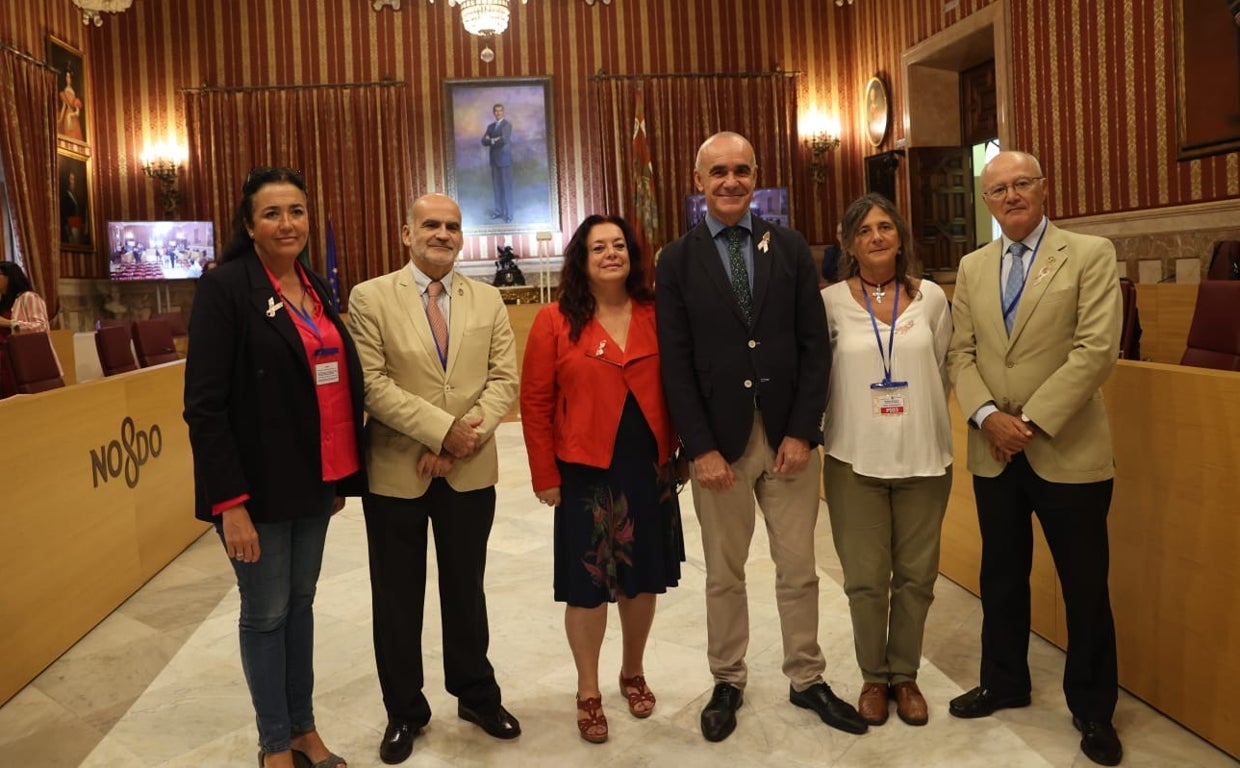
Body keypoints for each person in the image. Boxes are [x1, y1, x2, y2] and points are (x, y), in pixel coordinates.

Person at [655, 131, 867, 742]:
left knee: (799, 568)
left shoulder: (791, 247)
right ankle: (728, 679)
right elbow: (676, 361)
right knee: (724, 573)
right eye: (717, 171)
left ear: (756, 177)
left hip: (786, 443)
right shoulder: (677, 259)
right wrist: (700, 448)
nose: (730, 181)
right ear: (699, 181)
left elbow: (812, 348)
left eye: (741, 170)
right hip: (718, 444)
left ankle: (807, 678)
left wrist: (803, 431)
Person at [946, 151, 1124, 767]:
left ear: (1045, 188)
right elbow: (959, 355)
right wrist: (987, 416)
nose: (1011, 196)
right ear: (987, 201)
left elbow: (1097, 349)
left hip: (1065, 447)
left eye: (1022, 183)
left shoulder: (1090, 254)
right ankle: (1004, 681)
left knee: (1083, 584)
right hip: (992, 448)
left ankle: (1094, 708)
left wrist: (1029, 420)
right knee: (1000, 575)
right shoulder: (972, 267)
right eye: (998, 189)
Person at [183, 167, 364, 768]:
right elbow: (204, 407)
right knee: (265, 615)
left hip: (313, 480)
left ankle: (304, 730)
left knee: (302, 604)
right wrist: (229, 505)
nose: (288, 224)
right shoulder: (226, 287)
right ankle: (273, 747)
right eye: (272, 213)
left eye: (297, 211)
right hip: (253, 491)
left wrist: (338, 476)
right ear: (248, 225)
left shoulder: (314, 286)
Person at [347, 193, 521, 765]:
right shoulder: (369, 297)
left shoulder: (490, 299)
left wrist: (460, 439)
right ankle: (405, 711)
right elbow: (371, 385)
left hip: (468, 470)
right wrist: (441, 431)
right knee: (397, 597)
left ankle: (475, 695)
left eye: (452, 226)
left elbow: (503, 380)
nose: (442, 234)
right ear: (406, 232)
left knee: (466, 590)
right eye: (430, 225)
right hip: (397, 471)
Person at [520, 215, 685, 744]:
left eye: (619, 245)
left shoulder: (659, 315)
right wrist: (545, 473)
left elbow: (681, 385)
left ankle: (632, 671)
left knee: (641, 579)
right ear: (581, 260)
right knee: (587, 587)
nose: (611, 253)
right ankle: (588, 689)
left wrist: (683, 451)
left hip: (648, 468)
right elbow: (536, 402)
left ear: (631, 256)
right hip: (585, 470)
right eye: (598, 247)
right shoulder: (554, 320)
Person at [820, 193, 954, 727]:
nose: (876, 237)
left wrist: (914, 417)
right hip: (855, 460)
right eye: (864, 230)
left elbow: (945, 368)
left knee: (917, 578)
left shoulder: (933, 299)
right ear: (849, 244)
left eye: (885, 227)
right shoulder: (829, 302)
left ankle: (907, 676)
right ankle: (874, 676)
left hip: (924, 456)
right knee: (866, 579)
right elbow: (818, 378)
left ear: (900, 237)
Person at [0, 261, 55, 398]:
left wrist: (9, 323)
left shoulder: (28, 297)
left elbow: (41, 327)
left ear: (9, 277)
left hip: (18, 361)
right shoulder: (3, 301)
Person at [481, 104, 514, 223]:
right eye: (496, 111)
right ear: (494, 113)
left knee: (506, 188)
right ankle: (498, 211)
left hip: (504, 161)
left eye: (500, 111)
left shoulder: (507, 125)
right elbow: (483, 141)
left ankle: (509, 214)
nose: (498, 113)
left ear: (503, 112)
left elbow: (504, 140)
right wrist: (493, 140)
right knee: (497, 188)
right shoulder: (490, 126)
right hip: (494, 161)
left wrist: (492, 140)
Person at [57, 68, 84, 141]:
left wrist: (70, 115)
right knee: (68, 135)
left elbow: (77, 113)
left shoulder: (74, 92)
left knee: (75, 136)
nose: (68, 79)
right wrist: (61, 119)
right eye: (66, 77)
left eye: (69, 77)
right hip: (67, 116)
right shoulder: (64, 91)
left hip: (72, 116)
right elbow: (64, 106)